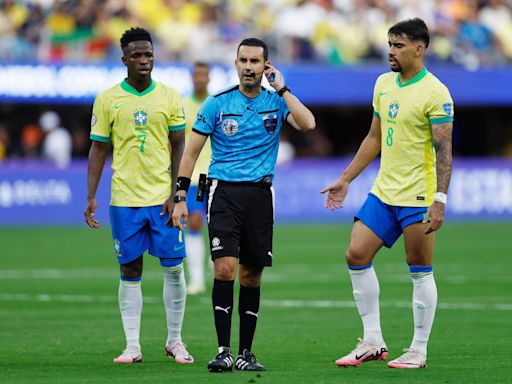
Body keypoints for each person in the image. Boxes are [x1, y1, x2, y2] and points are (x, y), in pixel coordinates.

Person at [172, 37, 316, 372]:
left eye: (255, 61)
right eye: (243, 61)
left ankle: (245, 353)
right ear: (236, 64)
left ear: (266, 66)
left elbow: (308, 124)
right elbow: (190, 152)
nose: (249, 67)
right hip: (223, 194)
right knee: (225, 269)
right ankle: (223, 350)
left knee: (251, 276)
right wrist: (180, 197)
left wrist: (282, 89)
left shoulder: (276, 102)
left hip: (261, 196)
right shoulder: (217, 104)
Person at [321, 18, 454, 369]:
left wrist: (439, 200)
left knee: (419, 268)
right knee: (355, 254)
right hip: (384, 191)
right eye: (389, 44)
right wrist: (346, 178)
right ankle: (372, 341)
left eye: (398, 45)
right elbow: (374, 138)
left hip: (418, 195)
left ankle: (418, 350)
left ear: (419, 49)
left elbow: (444, 151)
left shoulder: (435, 92)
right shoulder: (383, 84)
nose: (390, 51)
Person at [84, 27, 194, 365]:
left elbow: (179, 146)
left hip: (163, 198)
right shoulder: (107, 99)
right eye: (137, 55)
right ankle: (132, 346)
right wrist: (91, 196)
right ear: (124, 59)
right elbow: (98, 149)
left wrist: (178, 193)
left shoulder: (170, 96)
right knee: (129, 269)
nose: (144, 60)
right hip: (124, 199)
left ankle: (175, 340)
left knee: (174, 268)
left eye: (148, 54)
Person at [182, 62, 211, 296]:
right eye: (197, 74)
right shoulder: (182, 105)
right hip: (195, 177)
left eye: (204, 75)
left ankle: (216, 257)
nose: (201, 79)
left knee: (220, 223)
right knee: (193, 221)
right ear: (192, 77)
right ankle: (198, 279)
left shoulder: (216, 103)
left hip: (216, 174)